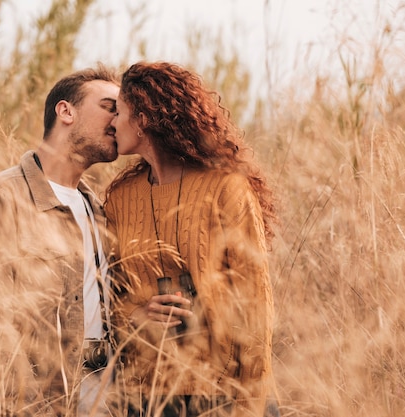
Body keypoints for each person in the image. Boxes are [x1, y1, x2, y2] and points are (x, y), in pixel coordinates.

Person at [104, 61, 279, 417]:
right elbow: (109, 295)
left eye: (118, 112)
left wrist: (250, 402)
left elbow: (255, 303)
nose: (111, 122)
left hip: (221, 391)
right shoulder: (120, 197)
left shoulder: (226, 188)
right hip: (147, 394)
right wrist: (137, 314)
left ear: (143, 117)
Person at [0, 64, 120, 417]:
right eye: (109, 106)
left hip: (97, 401)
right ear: (66, 111)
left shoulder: (99, 209)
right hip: (36, 405)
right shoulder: (2, 197)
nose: (118, 120)